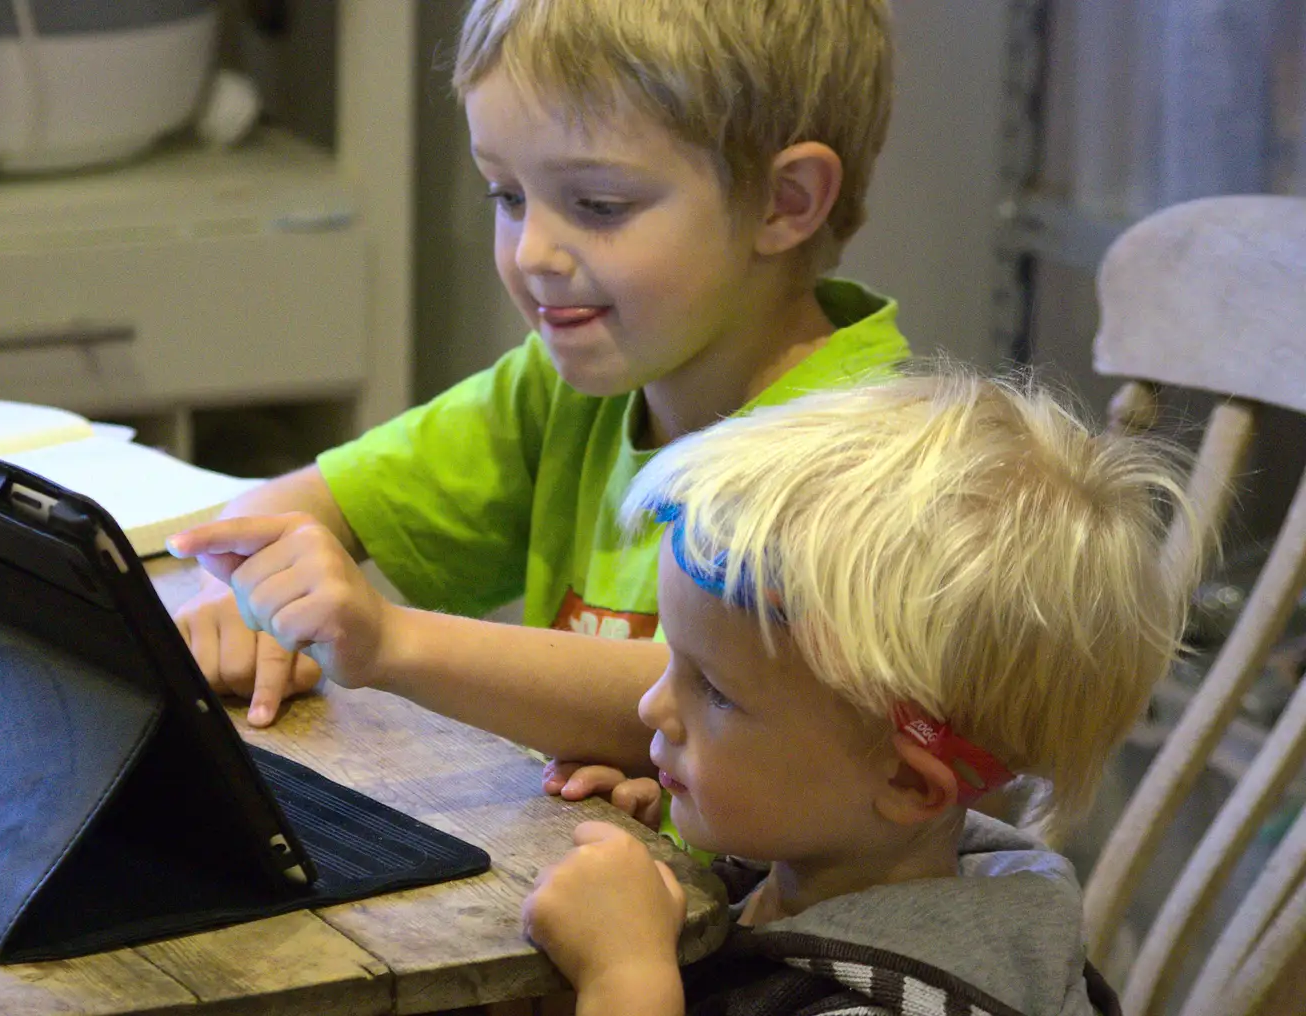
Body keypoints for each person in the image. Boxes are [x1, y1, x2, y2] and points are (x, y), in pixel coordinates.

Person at [170, 0, 903, 801]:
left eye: (599, 205)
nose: (532, 253)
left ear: (784, 201)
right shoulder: (565, 389)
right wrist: (239, 591)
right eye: (507, 195)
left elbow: (695, 696)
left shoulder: (860, 454)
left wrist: (391, 641)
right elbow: (305, 505)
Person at [517, 372, 1204, 1015]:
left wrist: (625, 974)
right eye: (674, 662)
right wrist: (674, 891)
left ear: (908, 779)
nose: (652, 708)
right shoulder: (816, 870)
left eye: (717, 693)